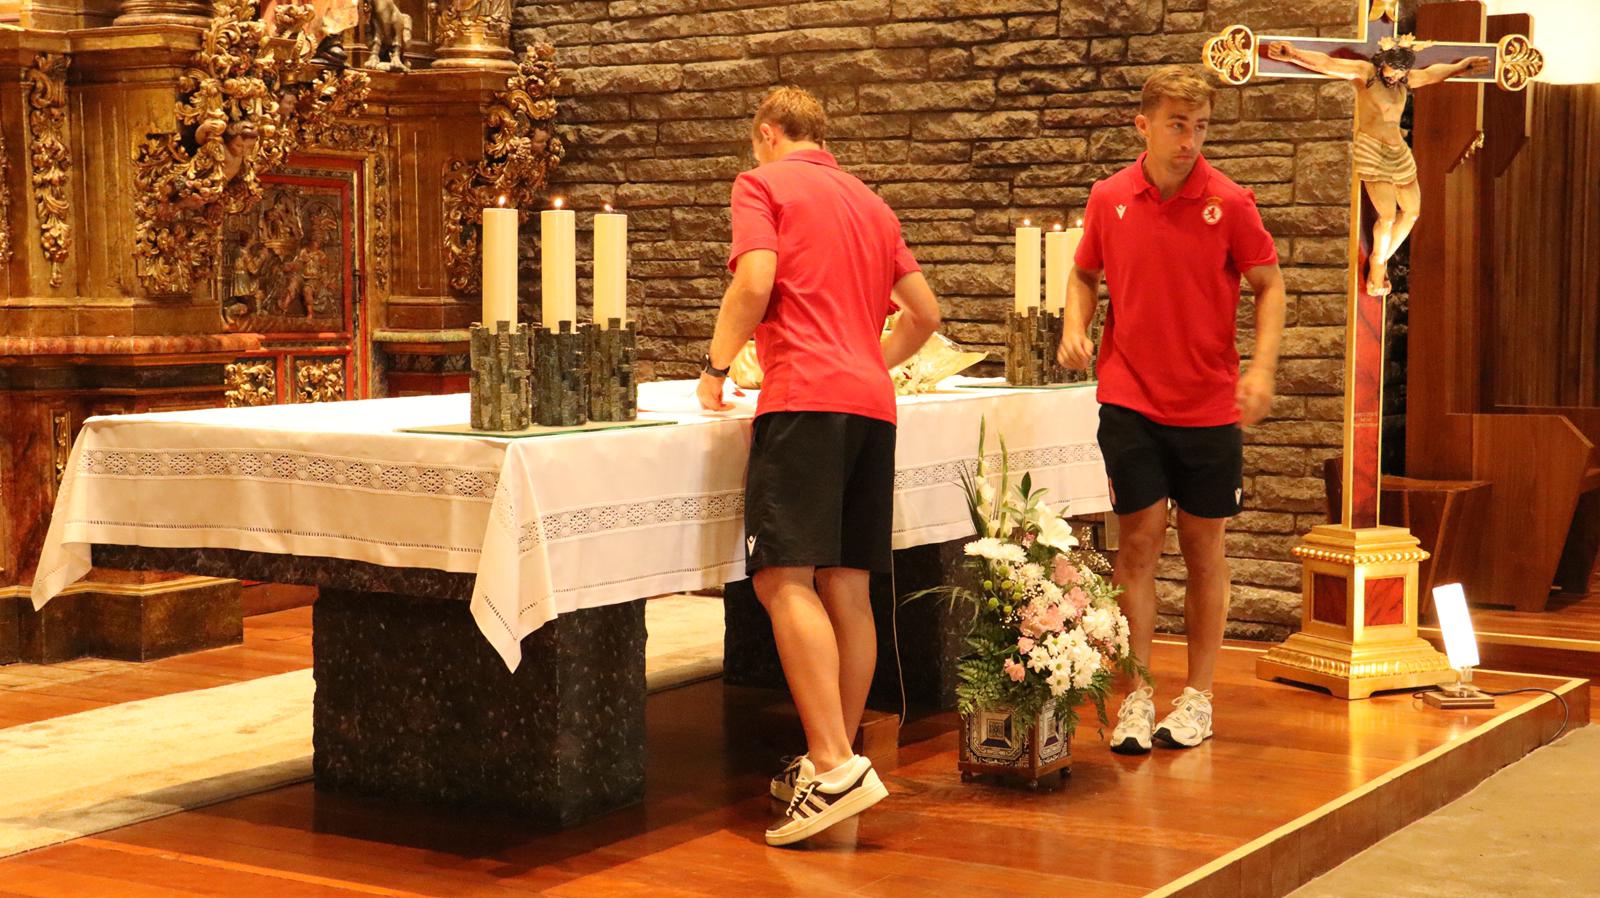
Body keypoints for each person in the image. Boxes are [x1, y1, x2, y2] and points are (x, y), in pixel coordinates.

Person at [697, 86, 941, 846]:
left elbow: (756, 280)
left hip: (803, 397)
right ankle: (831, 759)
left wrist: (713, 368)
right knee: (849, 582)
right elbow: (926, 315)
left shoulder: (761, 184)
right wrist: (872, 359)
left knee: (781, 577)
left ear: (767, 133)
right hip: (872, 406)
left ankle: (832, 765)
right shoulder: (872, 203)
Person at [1057, 66, 1287, 755]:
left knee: (1203, 548)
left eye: (1202, 126)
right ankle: (1136, 695)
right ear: (1145, 126)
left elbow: (1269, 286)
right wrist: (1077, 323)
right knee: (1136, 545)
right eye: (1178, 125)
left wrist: (1263, 366)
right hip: (1128, 396)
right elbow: (1083, 272)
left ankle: (1199, 696)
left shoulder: (1230, 201)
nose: (1190, 140)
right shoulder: (1109, 198)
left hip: (1208, 403)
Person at [1265, 37, 1489, 295]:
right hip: (1372, 150)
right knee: (1387, 215)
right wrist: (1293, 55)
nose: (1397, 75)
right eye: (1394, 69)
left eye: (1402, 71)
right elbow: (1328, 63)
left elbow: (1430, 74)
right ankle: (1377, 265)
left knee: (1413, 212)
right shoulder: (1366, 74)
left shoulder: (1404, 81)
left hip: (1398, 152)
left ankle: (1381, 257)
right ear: (1383, 63)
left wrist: (1461, 67)